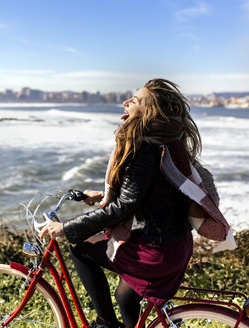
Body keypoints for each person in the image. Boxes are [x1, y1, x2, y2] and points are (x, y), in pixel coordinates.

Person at [40, 78, 203, 328]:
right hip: (177, 244)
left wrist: (65, 228)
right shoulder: (166, 138)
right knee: (124, 297)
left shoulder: (144, 146)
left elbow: (124, 207)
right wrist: (103, 194)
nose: (126, 102)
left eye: (135, 100)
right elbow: (152, 189)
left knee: (79, 246)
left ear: (149, 112)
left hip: (157, 251)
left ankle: (105, 323)